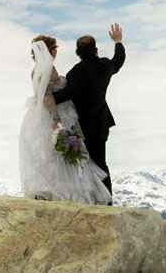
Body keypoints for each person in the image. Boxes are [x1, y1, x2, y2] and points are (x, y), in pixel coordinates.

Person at [18, 35, 112, 204]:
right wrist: (56, 120)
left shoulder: (41, 67)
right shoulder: (46, 68)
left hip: (53, 115)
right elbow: (47, 96)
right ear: (48, 50)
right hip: (55, 116)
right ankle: (65, 196)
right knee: (59, 158)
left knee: (55, 158)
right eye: (54, 48)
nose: (56, 52)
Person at [53, 24, 125, 200]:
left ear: (78, 52)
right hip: (101, 123)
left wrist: (45, 96)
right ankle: (106, 201)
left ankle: (90, 199)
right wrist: (118, 41)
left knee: (82, 164)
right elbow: (119, 60)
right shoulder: (106, 66)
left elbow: (66, 95)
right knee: (101, 162)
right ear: (96, 50)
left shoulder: (76, 72)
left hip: (81, 126)